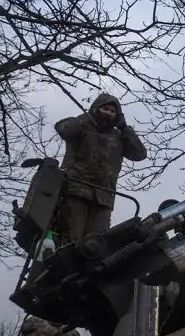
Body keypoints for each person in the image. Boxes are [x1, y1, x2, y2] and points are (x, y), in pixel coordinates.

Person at [52, 92, 147, 242]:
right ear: (95, 108)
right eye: (105, 109)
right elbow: (64, 130)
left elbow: (139, 154)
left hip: (104, 198)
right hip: (77, 190)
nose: (108, 113)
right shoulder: (81, 125)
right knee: (71, 238)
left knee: (95, 244)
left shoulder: (119, 136)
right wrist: (87, 118)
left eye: (112, 111)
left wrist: (125, 129)